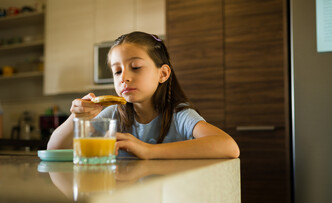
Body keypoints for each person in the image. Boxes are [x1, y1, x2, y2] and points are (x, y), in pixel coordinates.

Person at [47, 31, 240, 159]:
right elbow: (54, 151)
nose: (124, 78)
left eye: (136, 67)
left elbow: (229, 147)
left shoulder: (178, 115)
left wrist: (148, 150)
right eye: (116, 71)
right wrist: (77, 118)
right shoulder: (113, 115)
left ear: (163, 74)